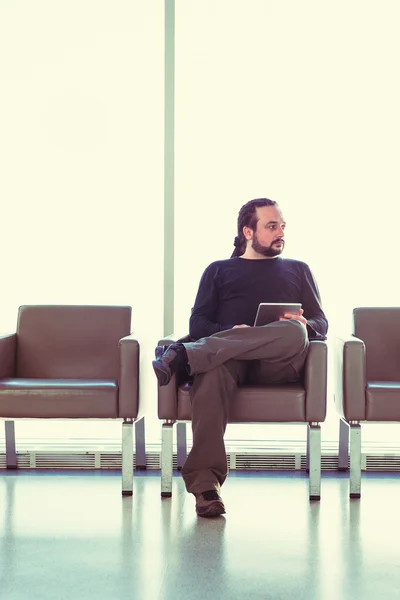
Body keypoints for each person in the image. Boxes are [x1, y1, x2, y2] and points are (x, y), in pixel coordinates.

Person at [152, 198, 328, 518]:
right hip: (229, 364)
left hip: (278, 364)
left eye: (282, 226)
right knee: (213, 370)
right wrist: (233, 330)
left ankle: (184, 355)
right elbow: (198, 325)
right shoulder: (219, 270)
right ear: (249, 231)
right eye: (271, 226)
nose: (280, 232)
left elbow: (321, 323)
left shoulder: (298, 269)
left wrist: (305, 325)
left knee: (293, 332)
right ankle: (206, 486)